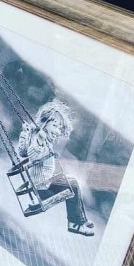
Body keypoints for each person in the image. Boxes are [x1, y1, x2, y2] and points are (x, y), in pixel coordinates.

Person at [15, 99, 94, 236]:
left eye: (59, 128)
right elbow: (32, 155)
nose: (58, 131)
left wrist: (26, 134)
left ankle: (80, 220)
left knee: (73, 183)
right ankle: (75, 223)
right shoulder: (39, 139)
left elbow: (23, 151)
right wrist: (38, 140)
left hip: (46, 184)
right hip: (42, 190)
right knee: (72, 186)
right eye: (55, 126)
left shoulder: (40, 138)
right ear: (45, 123)